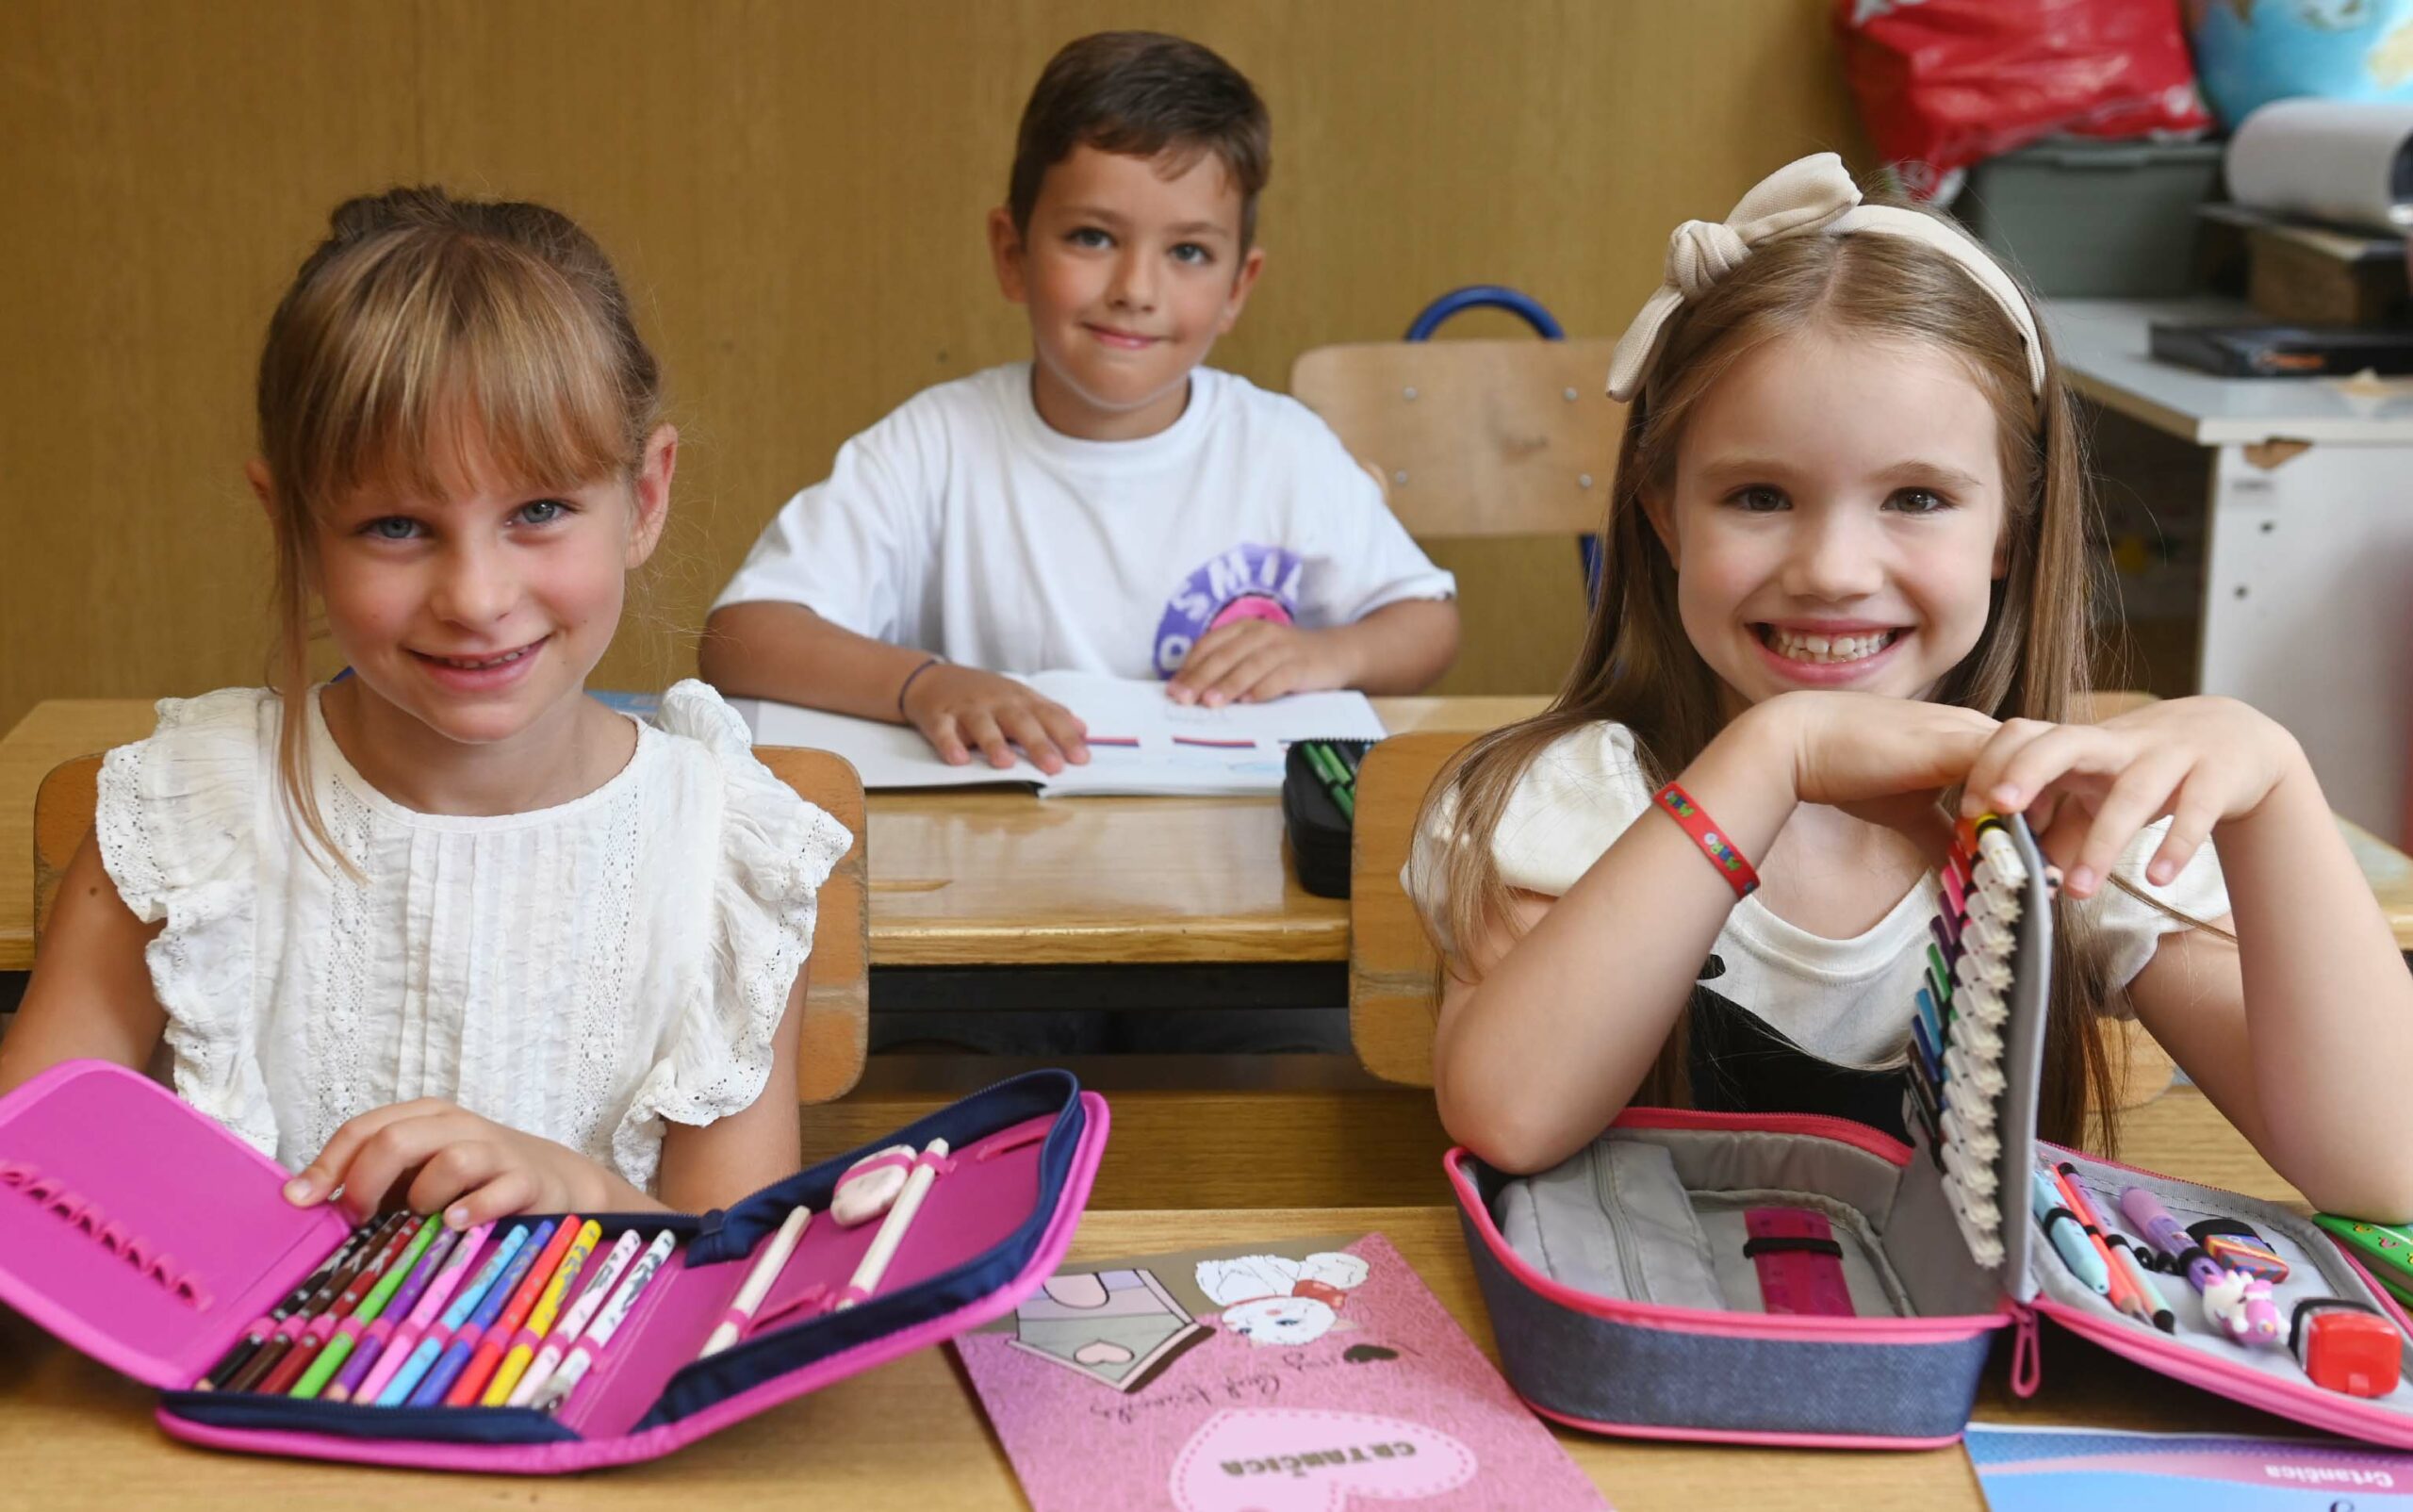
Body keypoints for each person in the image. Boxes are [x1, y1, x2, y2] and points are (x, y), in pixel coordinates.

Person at [1407, 155, 2413, 1221]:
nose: (1835, 567)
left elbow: (2387, 1162)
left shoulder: (2065, 824)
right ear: (1662, 513)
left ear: (2009, 531)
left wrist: (2278, 783)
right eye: (1758, 494)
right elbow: (1510, 1114)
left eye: (1917, 497)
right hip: (1646, 1371)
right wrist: (1772, 754)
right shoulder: (1567, 799)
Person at [0, 188, 853, 1231]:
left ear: (643, 497)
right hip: (210, 1393)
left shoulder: (725, 851)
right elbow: (25, 1192)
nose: (477, 597)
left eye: (539, 510)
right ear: (297, 526)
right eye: (397, 525)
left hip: (570, 1394)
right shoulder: (186, 810)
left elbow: (731, 1276)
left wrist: (578, 1190)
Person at [701, 30, 1459, 775]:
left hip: (1237, 855)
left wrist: (1330, 653)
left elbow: (1428, 622)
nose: (1135, 289)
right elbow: (740, 639)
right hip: (993, 856)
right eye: (1093, 237)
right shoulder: (932, 445)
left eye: (1188, 252)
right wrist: (923, 684)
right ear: (1012, 253)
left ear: (1237, 288)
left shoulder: (1284, 448)